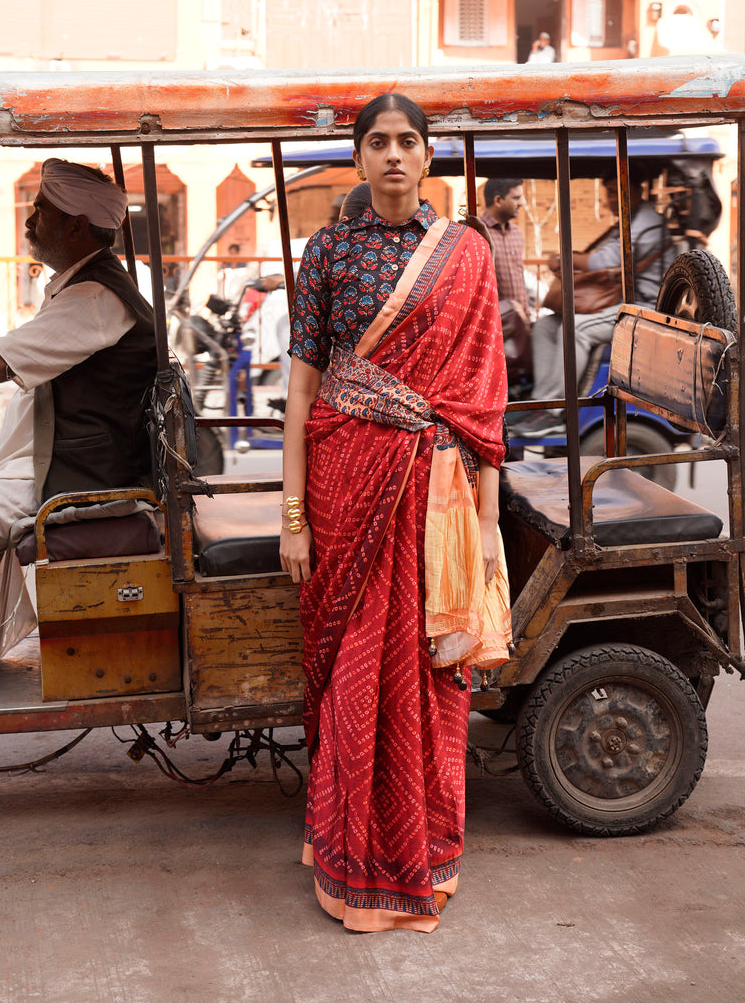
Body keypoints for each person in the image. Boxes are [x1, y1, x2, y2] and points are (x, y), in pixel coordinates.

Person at [281, 93, 510, 932]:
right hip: (345, 487)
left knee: (427, 676)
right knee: (352, 675)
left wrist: (486, 526)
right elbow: (303, 389)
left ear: (427, 155)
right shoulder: (330, 251)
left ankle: (420, 855)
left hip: (434, 497)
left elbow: (485, 399)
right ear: (357, 157)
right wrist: (293, 515)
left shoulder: (466, 256)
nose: (392, 156)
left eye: (407, 141)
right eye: (376, 142)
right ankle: (347, 865)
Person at [0, 159, 156, 685]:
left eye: (41, 209)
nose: (29, 217)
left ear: (76, 226)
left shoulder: (97, 298)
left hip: (70, 471)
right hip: (45, 452)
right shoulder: (80, 285)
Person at [513, 173, 674, 437]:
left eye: (615, 192)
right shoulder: (627, 221)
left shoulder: (648, 224)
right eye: (609, 193)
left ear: (636, 189)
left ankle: (555, 412)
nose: (611, 200)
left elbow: (604, 261)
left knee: (577, 327)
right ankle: (543, 402)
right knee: (544, 325)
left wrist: (565, 259)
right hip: (619, 300)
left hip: (642, 309)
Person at [480, 178, 530, 324]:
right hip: (492, 323)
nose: (521, 203)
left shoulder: (516, 233)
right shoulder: (477, 232)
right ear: (498, 200)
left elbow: (519, 279)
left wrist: (526, 316)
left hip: (520, 322)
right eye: (516, 198)